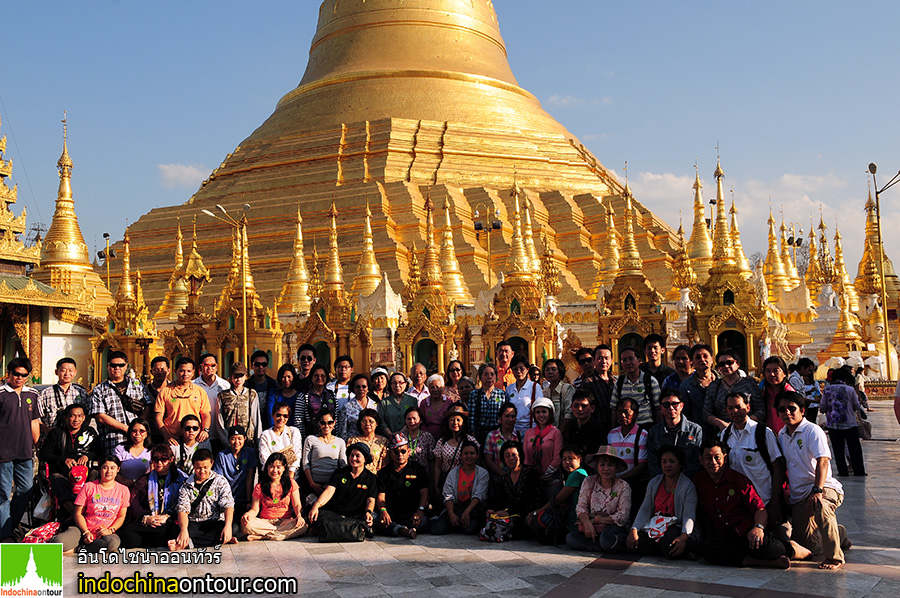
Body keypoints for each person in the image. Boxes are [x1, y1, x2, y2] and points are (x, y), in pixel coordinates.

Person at [694, 441, 797, 569]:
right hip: (723, 534)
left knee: (773, 549)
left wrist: (758, 528)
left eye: (717, 457)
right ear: (701, 460)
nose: (713, 462)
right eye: (708, 458)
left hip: (745, 531)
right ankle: (761, 562)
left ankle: (794, 549)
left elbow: (759, 509)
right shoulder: (698, 481)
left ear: (725, 458)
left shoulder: (738, 480)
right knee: (708, 551)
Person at [776, 391, 848, 570]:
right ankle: (839, 533)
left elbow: (823, 460)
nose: (787, 413)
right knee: (807, 547)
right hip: (800, 495)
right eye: (782, 409)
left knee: (821, 507)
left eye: (792, 409)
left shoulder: (812, 431)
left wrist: (818, 490)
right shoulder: (781, 434)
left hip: (824, 487)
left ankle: (834, 558)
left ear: (802, 410)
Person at [720, 392, 784, 525]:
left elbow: (778, 469)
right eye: (730, 408)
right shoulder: (725, 435)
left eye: (739, 407)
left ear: (748, 408)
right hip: (739, 503)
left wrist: (775, 503)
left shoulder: (763, 433)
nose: (735, 411)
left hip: (764, 500)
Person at [627, 445, 699, 559]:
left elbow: (688, 515)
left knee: (668, 545)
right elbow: (646, 508)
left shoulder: (687, 486)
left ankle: (683, 547)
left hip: (676, 525)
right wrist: (634, 529)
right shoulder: (654, 482)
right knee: (636, 542)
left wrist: (684, 536)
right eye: (664, 462)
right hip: (656, 524)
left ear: (680, 464)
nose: (667, 465)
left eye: (672, 461)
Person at [52, 455, 129, 553]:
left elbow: (121, 516)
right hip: (82, 529)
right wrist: (85, 532)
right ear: (100, 469)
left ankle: (80, 549)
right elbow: (78, 513)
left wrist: (110, 530)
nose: (109, 471)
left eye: (112, 468)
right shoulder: (89, 487)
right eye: (105, 467)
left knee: (112, 543)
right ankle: (84, 545)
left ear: (118, 469)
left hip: (105, 532)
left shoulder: (123, 490)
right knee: (58, 542)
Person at [0, 357, 41, 540]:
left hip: (25, 452)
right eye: (16, 374)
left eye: (24, 375)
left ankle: (12, 524)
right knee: (3, 494)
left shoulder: (32, 394)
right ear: (9, 374)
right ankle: (4, 535)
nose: (19, 378)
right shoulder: (1, 393)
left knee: (26, 490)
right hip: (3, 453)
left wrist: (36, 445)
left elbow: (34, 422)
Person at [118, 444, 187, 549]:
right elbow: (134, 504)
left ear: (171, 459)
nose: (159, 463)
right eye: (155, 459)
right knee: (128, 537)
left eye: (164, 459)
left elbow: (185, 504)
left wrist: (168, 517)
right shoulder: (144, 480)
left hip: (170, 522)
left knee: (174, 530)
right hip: (149, 522)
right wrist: (146, 518)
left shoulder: (181, 479)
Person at [39, 403, 98, 521]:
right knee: (57, 479)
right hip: (63, 471)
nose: (76, 419)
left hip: (85, 472)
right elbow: (44, 455)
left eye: (79, 416)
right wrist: (63, 460)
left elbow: (98, 451)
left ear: (84, 417)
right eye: (72, 416)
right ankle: (74, 512)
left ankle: (89, 508)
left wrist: (87, 456)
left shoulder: (90, 432)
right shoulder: (56, 433)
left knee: (96, 475)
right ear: (65, 418)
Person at [566, 446, 631, 552]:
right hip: (592, 526)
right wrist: (587, 524)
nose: (606, 469)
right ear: (597, 466)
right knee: (571, 538)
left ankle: (601, 545)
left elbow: (623, 516)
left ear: (615, 467)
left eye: (610, 465)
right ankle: (602, 546)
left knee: (606, 539)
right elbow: (581, 507)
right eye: (602, 464)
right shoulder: (588, 481)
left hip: (613, 526)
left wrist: (597, 520)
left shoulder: (623, 486)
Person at [307, 442, 377, 537]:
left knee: (373, 518)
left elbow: (371, 499)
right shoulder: (340, 473)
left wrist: (368, 512)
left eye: (357, 456)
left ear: (365, 459)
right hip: (335, 513)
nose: (353, 458)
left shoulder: (371, 478)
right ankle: (350, 529)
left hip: (356, 515)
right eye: (351, 455)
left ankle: (330, 530)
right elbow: (329, 491)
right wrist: (316, 506)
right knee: (318, 515)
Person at [170, 448, 235, 549]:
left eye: (205, 467)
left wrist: (227, 526)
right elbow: (183, 509)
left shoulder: (221, 481)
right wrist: (183, 530)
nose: (202, 471)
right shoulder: (186, 485)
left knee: (233, 528)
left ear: (212, 463)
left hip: (215, 521)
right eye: (198, 468)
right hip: (194, 522)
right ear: (193, 466)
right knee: (175, 530)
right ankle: (217, 541)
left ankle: (188, 543)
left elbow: (228, 505)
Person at [241, 452, 308, 541]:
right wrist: (247, 514)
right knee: (247, 524)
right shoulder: (259, 486)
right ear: (267, 468)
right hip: (265, 523)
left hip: (285, 521)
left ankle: (263, 536)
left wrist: (299, 516)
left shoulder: (291, 483)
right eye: (271, 467)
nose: (275, 470)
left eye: (278, 467)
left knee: (303, 526)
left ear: (284, 468)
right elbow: (255, 509)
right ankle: (277, 535)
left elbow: (297, 505)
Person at [91, 351, 147, 457]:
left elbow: (148, 405)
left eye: (121, 365)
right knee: (113, 469)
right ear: (107, 366)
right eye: (113, 365)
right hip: (113, 438)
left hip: (138, 437)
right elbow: (100, 416)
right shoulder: (100, 389)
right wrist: (126, 428)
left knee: (139, 466)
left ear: (126, 366)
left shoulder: (136, 384)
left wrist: (139, 426)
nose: (117, 368)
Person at [529, 444, 587, 545]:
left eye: (570, 458)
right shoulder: (575, 474)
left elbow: (558, 499)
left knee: (539, 534)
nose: (567, 462)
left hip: (572, 525)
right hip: (569, 522)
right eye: (564, 459)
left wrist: (540, 511)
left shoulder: (577, 474)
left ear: (580, 458)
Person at [375, 434, 429, 538]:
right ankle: (403, 530)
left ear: (408, 451)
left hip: (411, 513)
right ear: (391, 454)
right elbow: (381, 497)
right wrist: (383, 511)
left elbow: (424, 493)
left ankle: (398, 529)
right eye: (396, 452)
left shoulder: (418, 469)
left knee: (424, 522)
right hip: (391, 513)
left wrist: (420, 510)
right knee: (377, 520)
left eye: (403, 451)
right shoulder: (384, 473)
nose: (400, 455)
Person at [430, 441, 488, 535]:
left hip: (472, 509)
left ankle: (458, 524)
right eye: (465, 453)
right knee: (437, 530)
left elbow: (479, 495)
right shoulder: (453, 473)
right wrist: (451, 514)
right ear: (461, 455)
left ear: (477, 455)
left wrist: (467, 512)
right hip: (456, 507)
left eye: (472, 453)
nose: (469, 456)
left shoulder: (483, 473)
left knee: (469, 529)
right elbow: (448, 495)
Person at [486, 440, 541, 540]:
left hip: (529, 513)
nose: (511, 458)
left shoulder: (530, 473)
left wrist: (509, 513)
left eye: (514, 455)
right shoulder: (505, 478)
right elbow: (502, 500)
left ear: (520, 456)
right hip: (513, 515)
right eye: (507, 455)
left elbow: (527, 499)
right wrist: (494, 510)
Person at [819, 368, 866, 477]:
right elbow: (856, 406)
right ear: (846, 378)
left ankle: (843, 471)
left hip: (833, 424)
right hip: (850, 423)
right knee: (855, 448)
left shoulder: (827, 390)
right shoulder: (850, 390)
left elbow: (822, 407)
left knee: (838, 449)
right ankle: (859, 471)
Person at [704, 350, 763, 435]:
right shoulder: (714, 386)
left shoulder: (750, 384)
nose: (726, 366)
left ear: (738, 364)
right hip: (723, 431)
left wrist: (743, 423)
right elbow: (706, 413)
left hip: (748, 431)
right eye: (722, 364)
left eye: (730, 362)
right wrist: (720, 423)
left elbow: (760, 411)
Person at [154, 357, 211, 446]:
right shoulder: (165, 391)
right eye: (182, 371)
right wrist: (167, 436)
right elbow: (158, 417)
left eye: (188, 371)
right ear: (175, 371)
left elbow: (206, 414)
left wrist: (205, 430)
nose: (185, 374)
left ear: (193, 372)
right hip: (173, 440)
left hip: (195, 439)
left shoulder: (200, 391)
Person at [646, 389, 703, 478]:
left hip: (689, 480)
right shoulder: (653, 432)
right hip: (662, 481)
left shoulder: (695, 430)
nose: (671, 408)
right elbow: (652, 463)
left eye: (675, 404)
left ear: (681, 406)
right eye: (666, 405)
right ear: (661, 407)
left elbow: (697, 460)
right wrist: (666, 479)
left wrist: (680, 479)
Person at [432, 406, 479, 500]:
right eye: (452, 420)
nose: (455, 423)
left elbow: (477, 463)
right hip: (447, 480)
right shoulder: (442, 442)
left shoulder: (471, 440)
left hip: (467, 481)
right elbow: (437, 466)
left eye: (458, 420)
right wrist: (436, 485)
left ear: (463, 423)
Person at [523, 398, 564, 501]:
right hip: (533, 480)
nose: (541, 415)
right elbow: (526, 457)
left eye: (544, 411)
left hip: (552, 480)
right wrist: (531, 475)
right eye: (538, 412)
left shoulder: (556, 433)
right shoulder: (529, 433)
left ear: (550, 413)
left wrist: (545, 475)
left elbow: (557, 457)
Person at [302, 409, 347, 499]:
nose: (326, 426)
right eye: (323, 423)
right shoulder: (311, 439)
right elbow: (305, 464)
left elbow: (343, 465)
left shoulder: (340, 442)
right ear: (319, 424)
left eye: (330, 422)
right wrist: (312, 484)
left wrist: (333, 485)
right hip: (314, 483)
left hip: (333, 485)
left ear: (334, 423)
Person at [213, 425, 257, 514]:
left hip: (244, 498)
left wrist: (248, 501)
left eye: (239, 438)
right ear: (229, 440)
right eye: (233, 438)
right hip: (227, 498)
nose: (236, 442)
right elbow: (220, 480)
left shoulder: (249, 453)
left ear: (245, 438)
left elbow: (250, 477)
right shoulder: (222, 455)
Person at [613, 347, 660, 429]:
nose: (628, 363)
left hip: (646, 426)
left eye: (631, 359)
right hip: (626, 428)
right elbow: (614, 408)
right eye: (624, 360)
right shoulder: (619, 383)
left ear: (639, 361)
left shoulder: (650, 381)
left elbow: (658, 408)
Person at [37, 357, 89, 431]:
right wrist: (49, 432)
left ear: (75, 372)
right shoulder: (45, 394)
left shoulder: (81, 394)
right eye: (63, 370)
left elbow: (87, 416)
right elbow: (37, 419)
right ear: (56, 372)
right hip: (51, 438)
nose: (67, 373)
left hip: (74, 438)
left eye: (70, 370)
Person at [607, 397, 649, 487]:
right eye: (620, 412)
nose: (622, 415)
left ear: (635, 414)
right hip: (613, 483)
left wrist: (620, 479)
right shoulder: (611, 434)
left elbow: (642, 465)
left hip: (634, 483)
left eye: (626, 412)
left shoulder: (643, 435)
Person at [217, 362, 261, 446]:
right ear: (231, 377)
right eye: (235, 377)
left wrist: (258, 440)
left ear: (245, 376)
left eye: (241, 376)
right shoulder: (223, 396)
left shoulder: (251, 394)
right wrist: (226, 440)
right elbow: (219, 420)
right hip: (230, 439)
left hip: (247, 439)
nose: (238, 379)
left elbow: (256, 419)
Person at [193, 354, 230, 451]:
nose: (210, 368)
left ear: (217, 367)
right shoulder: (193, 385)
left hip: (220, 433)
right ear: (200, 367)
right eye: (206, 365)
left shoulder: (224, 385)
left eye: (213, 365)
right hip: (200, 434)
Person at [259, 402, 303, 479]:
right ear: (272, 415)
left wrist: (290, 475)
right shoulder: (266, 434)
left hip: (292, 477)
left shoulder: (294, 432)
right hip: (272, 477)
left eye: (285, 416)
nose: (282, 419)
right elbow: (264, 458)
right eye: (278, 415)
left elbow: (297, 455)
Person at [678, 344, 716, 427]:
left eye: (705, 356)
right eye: (698, 357)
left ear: (712, 359)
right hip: (700, 430)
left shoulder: (723, 380)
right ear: (692, 362)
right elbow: (686, 413)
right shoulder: (686, 386)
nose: (702, 359)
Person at [294, 363, 335, 437]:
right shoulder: (304, 396)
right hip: (311, 437)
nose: (319, 378)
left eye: (322, 375)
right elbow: (298, 421)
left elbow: (336, 417)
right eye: (316, 376)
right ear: (311, 377)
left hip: (330, 437)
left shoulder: (331, 395)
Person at [469, 363, 507, 442]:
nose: (489, 377)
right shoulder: (474, 394)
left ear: (496, 377)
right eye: (486, 374)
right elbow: (472, 416)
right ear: (481, 377)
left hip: (497, 434)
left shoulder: (502, 394)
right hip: (480, 434)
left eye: (492, 374)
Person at [506, 355, 542, 436]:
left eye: (521, 369)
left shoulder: (535, 387)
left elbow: (540, 408)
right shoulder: (509, 389)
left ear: (527, 370)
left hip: (530, 430)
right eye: (515, 369)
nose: (519, 371)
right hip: (513, 431)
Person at [483, 402, 520, 479]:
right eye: (507, 416)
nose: (510, 419)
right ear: (500, 418)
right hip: (497, 478)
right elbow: (488, 461)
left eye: (513, 416)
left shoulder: (520, 436)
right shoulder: (491, 436)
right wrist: (504, 475)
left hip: (516, 478)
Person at [563, 390, 604, 457]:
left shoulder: (598, 429)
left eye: (584, 406)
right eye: (576, 406)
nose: (579, 409)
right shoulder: (570, 426)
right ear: (571, 407)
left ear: (592, 408)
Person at [348, 408, 389, 474]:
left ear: (376, 423)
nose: (367, 424)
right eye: (364, 421)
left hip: (377, 478)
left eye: (371, 421)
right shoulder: (353, 441)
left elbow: (385, 464)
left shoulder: (383, 442)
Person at [338, 374, 378, 441]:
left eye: (364, 386)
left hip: (372, 442)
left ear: (368, 388)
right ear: (353, 389)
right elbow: (342, 431)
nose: (361, 389)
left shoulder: (375, 405)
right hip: (353, 443)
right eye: (358, 387)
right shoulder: (347, 407)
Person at [760, 356, 794, 433]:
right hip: (769, 435)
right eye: (768, 371)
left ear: (784, 373)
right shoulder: (765, 392)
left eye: (776, 371)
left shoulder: (788, 392)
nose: (772, 374)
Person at [113, 418, 152, 486]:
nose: (137, 433)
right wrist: (125, 482)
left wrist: (135, 482)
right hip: (122, 486)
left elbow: (153, 472)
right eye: (134, 431)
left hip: (144, 487)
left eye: (141, 431)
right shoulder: (120, 449)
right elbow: (113, 468)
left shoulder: (151, 451)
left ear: (147, 433)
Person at [401, 407, 435, 477]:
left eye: (414, 418)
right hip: (405, 475)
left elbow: (432, 459)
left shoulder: (427, 437)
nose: (412, 421)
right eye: (409, 419)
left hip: (424, 476)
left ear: (420, 420)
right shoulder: (401, 437)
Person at [264, 364, 300, 431]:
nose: (286, 380)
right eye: (283, 377)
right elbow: (270, 414)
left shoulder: (299, 396)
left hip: (292, 432)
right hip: (275, 431)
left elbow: (297, 418)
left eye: (289, 377)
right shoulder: (274, 394)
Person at [542, 358, 574, 430]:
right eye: (547, 369)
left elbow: (569, 413)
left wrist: (559, 432)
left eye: (553, 369)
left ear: (560, 371)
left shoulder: (567, 389)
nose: (550, 372)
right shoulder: (544, 392)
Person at [418, 373, 453, 438]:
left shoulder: (449, 402)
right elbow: (421, 421)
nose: (435, 390)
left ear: (443, 387)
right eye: (432, 387)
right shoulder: (424, 403)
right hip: (427, 437)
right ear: (428, 389)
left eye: (438, 387)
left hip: (445, 436)